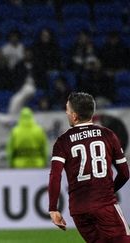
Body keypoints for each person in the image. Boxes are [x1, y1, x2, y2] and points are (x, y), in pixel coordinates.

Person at [48, 92, 130, 243]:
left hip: (79, 211)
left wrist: (53, 208)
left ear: (74, 116)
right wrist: (109, 191)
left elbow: (55, 175)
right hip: (105, 206)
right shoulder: (108, 135)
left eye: (67, 109)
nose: (66, 112)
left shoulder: (62, 141)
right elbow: (125, 173)